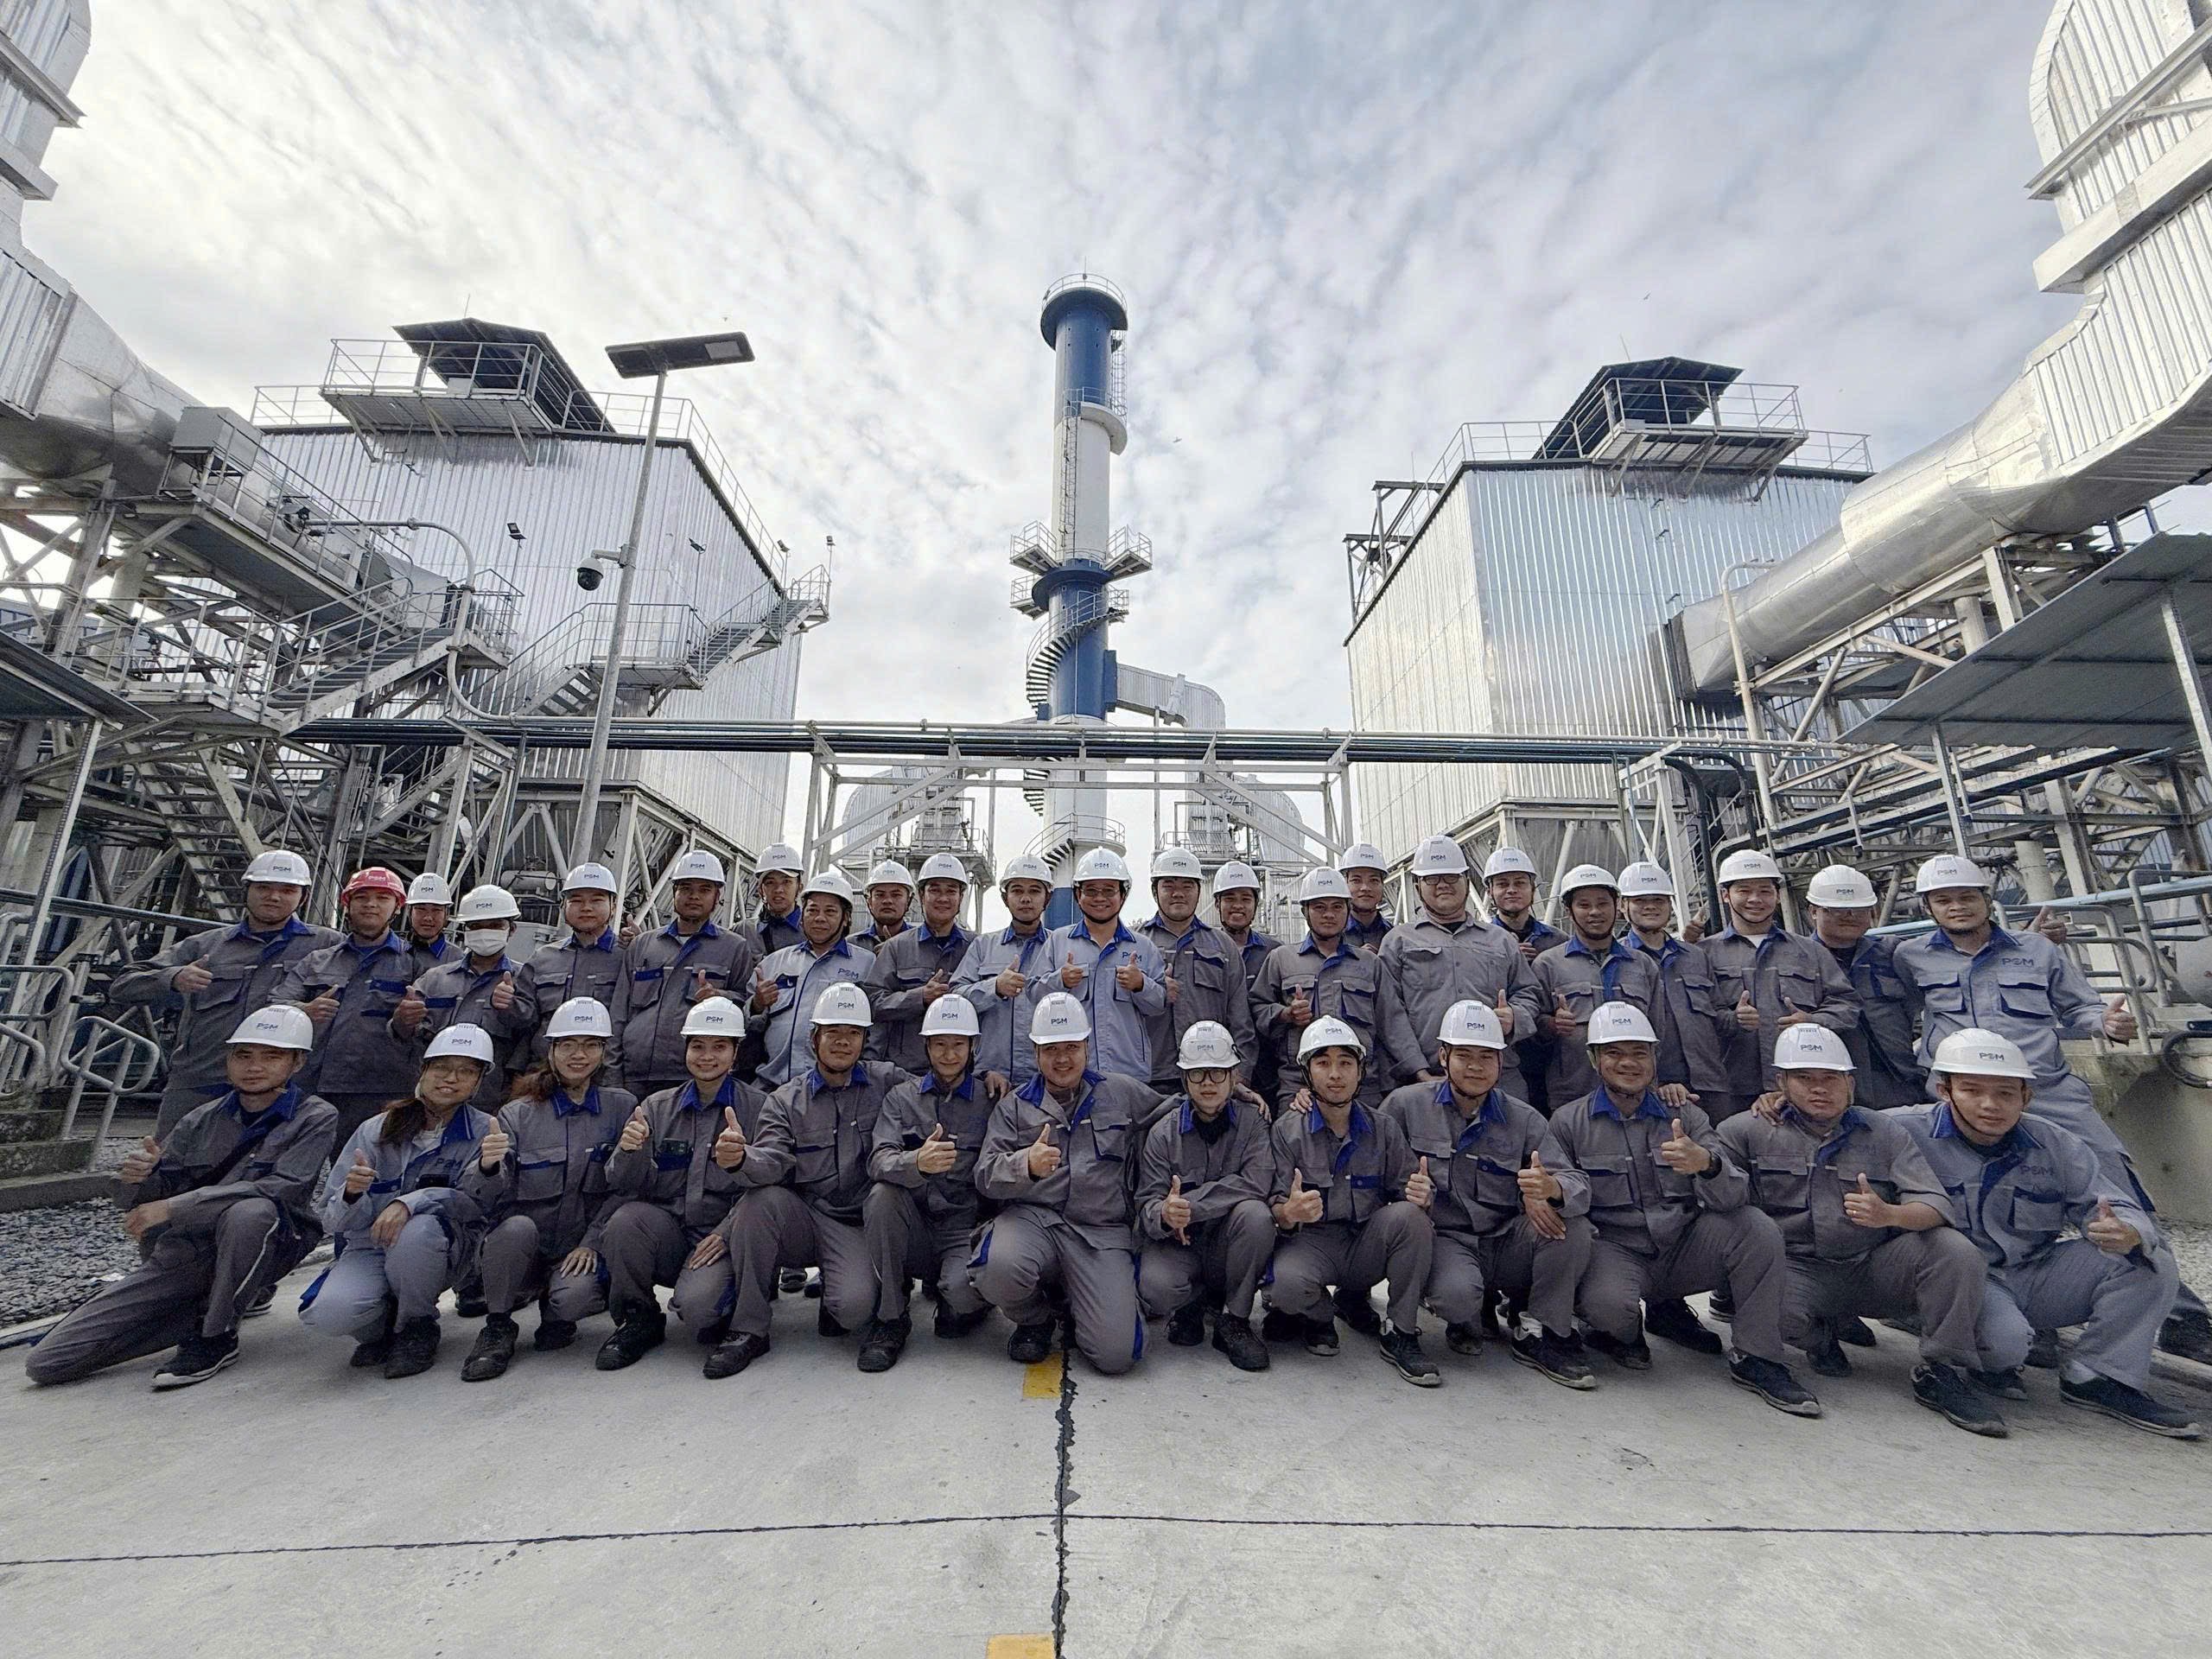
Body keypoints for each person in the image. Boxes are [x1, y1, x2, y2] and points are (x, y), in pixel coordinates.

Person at [1892, 854, 2212, 1365]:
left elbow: (2080, 1006)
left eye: (1967, 897)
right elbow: (1893, 1012)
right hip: (1960, 1097)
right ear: (1928, 907)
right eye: (1943, 900)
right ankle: (2014, 1309)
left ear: (1986, 899)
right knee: (1976, 1202)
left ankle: (2182, 1317)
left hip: (2047, 1091)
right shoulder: (1909, 956)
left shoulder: (2038, 950)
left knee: (2118, 1193)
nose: (1957, 907)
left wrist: (2106, 1024)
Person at [1887, 1029, 2199, 1439]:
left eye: (2005, 1093)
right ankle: (1972, 1352)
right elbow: (1832, 1123)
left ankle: (2098, 1375)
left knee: (2149, 1259)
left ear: (2027, 1097)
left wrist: (2126, 1231)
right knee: (2007, 1346)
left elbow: (2113, 1203)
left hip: (2032, 1272)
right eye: (1972, 1090)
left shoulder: (2055, 1143)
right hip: (1962, 1279)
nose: (1990, 1105)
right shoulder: (1902, 1130)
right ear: (1945, 1091)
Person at [26, 1007, 337, 1389]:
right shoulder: (199, 1119)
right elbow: (148, 1198)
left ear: (297, 1062)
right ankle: (199, 1314)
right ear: (228, 1060)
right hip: (188, 1249)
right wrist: (138, 1178)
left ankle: (216, 1336)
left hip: (271, 1241)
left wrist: (175, 1207)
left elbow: (284, 1186)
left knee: (251, 1212)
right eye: (243, 1055)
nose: (254, 1067)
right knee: (48, 1363)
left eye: (272, 1056)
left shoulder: (315, 1116)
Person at [1537, 1002, 1821, 1417]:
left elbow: (1734, 1195)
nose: (1628, 1063)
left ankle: (1758, 1356)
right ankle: (1619, 1331)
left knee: (1755, 1228)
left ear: (1655, 1058)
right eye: (1614, 1053)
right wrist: (1552, 1190)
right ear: (1594, 1060)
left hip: (1685, 1245)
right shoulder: (1568, 1121)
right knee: (1609, 1310)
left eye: (1640, 1053)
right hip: (1617, 1249)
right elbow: (1570, 1190)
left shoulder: (1685, 1114)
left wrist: (1706, 1165)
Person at [1720, 1026, 2000, 1435]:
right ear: (1781, 1083)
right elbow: (1719, 1200)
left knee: (1953, 1250)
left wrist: (1890, 1215)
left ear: (1850, 1083)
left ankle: (1943, 1370)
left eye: (1831, 1078)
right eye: (1805, 1078)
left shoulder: (1884, 1132)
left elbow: (1935, 1204)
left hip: (1871, 1265)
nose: (1820, 1088)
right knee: (1761, 1304)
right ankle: (1812, 1339)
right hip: (1793, 1269)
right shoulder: (1745, 1130)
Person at [1381, 999, 1595, 1389]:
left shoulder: (1524, 1118)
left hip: (1505, 1241)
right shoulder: (1405, 1105)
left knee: (1573, 1227)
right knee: (1458, 1298)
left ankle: (1540, 1331)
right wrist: (1406, 1194)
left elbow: (1576, 1183)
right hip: (1447, 1242)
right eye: (1464, 1055)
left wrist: (1549, 1189)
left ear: (1501, 1060)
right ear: (1443, 1057)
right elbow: (1373, 1170)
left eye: (1487, 1056)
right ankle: (1442, 1317)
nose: (1476, 1067)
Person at [704, 984, 913, 1377]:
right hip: (806, 1216)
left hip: (857, 1223)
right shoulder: (785, 1100)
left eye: (853, 1033)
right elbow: (771, 1160)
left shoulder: (889, 1081)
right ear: (814, 1038)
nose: (842, 1041)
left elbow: (936, 1089)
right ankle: (748, 1327)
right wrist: (742, 1158)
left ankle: (851, 1293)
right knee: (760, 1201)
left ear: (865, 1040)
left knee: (852, 1309)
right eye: (832, 1032)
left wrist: (987, 1081)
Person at [971, 992, 1160, 1375]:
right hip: (1034, 1223)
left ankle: (1081, 1303)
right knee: (995, 1266)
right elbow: (985, 1174)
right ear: (1036, 1052)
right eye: (1051, 1049)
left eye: (1071, 1047)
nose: (1062, 1059)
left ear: (1087, 1046)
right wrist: (1025, 1164)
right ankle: (1036, 1319)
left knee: (1117, 1356)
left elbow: (1174, 1111)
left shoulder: (1120, 1092)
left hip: (1099, 1232)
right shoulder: (1014, 1107)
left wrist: (1227, 1093)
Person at [298, 1025, 502, 1378]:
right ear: (423, 1070)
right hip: (369, 1245)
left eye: (466, 1071)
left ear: (478, 1082)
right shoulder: (375, 1130)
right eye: (442, 1067)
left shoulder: (486, 1131)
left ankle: (417, 1327)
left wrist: (412, 1202)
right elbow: (332, 1220)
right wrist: (352, 1194)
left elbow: (476, 1207)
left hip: (440, 1248)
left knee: (417, 1230)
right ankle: (383, 1327)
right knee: (329, 1314)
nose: (451, 1079)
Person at [454, 997, 637, 1381]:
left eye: (590, 1045)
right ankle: (498, 1324)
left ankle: (556, 1312)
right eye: (567, 1045)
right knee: (514, 1229)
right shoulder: (518, 1114)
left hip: (578, 1246)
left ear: (603, 1052)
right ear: (551, 1050)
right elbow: (489, 1195)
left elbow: (624, 1189)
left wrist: (592, 1242)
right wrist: (487, 1166)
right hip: (526, 1247)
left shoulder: (622, 1108)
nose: (578, 1055)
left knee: (574, 1299)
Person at [590, 996, 769, 1370]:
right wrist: (631, 1151)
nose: (707, 1057)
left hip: (723, 1240)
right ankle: (639, 1319)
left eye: (719, 1047)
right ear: (685, 1049)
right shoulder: (655, 1107)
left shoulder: (760, 1107)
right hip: (672, 1232)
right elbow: (623, 1182)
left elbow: (771, 1185)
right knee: (625, 1220)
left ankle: (733, 1305)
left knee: (699, 1311)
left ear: (736, 1053)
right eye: (698, 1046)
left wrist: (726, 1231)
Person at [1262, 1017, 1440, 1386]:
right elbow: (1274, 1206)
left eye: (1346, 1062)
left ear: (1360, 1071)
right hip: (1312, 1245)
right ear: (1307, 1073)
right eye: (1322, 1063)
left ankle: (1401, 1331)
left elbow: (1407, 1188)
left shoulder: (1383, 1128)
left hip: (1364, 1245)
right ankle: (1318, 1314)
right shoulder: (1287, 1131)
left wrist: (1423, 1195)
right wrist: (1288, 1212)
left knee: (1412, 1217)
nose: (1335, 1074)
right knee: (1284, 1288)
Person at [108, 849, 336, 1135]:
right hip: (201, 1081)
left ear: (303, 898)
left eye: (287, 890)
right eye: (263, 888)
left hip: (282, 1088)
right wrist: (173, 977)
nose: (274, 897)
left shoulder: (326, 945)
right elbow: (123, 985)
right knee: (172, 1157)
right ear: (246, 891)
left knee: (265, 1161)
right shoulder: (206, 946)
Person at [1133, 1021, 1275, 1372]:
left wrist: (1192, 1206)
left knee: (1257, 1216)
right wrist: (1165, 1213)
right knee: (1154, 1286)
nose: (1208, 1083)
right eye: (1197, 1074)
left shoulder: (1253, 1122)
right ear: (1184, 1080)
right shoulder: (1163, 1134)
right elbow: (1146, 1203)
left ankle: (1235, 1320)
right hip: (1181, 1246)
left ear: (1234, 1076)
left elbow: (1257, 1182)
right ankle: (1191, 1304)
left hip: (1229, 1243)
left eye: (1217, 1072)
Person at [865, 995, 1000, 1363]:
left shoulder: (992, 1099)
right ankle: (891, 1317)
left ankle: (958, 1298)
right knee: (881, 1195)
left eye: (958, 1044)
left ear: (973, 1046)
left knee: (961, 1299)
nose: (949, 1054)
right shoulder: (901, 1098)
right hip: (917, 1229)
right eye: (939, 1044)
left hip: (964, 1229)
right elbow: (879, 1159)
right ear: (926, 1046)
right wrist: (916, 1163)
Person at [1376, 836, 1543, 1102]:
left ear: (1467, 881)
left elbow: (1529, 993)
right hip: (1427, 1081)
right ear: (1418, 887)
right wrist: (1418, 1072)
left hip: (1499, 1080)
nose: (1443, 884)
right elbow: (1389, 1014)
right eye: (1432, 879)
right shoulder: (1398, 942)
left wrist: (1515, 1018)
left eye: (1452, 877)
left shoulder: (1500, 941)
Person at [1698, 849, 1857, 1122]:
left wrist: (1813, 1021)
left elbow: (1847, 1005)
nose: (1755, 899)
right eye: (1744, 891)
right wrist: (1732, 1019)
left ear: (1777, 895)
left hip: (1805, 1091)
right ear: (1725, 895)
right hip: (1733, 1092)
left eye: (1765, 891)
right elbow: (1693, 1022)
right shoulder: (1702, 955)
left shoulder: (1811, 952)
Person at [271, 866, 418, 1141]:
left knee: (364, 1163)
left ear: (398, 908)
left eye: (383, 898)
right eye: (361, 897)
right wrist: (305, 1010)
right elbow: (275, 1004)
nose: (371, 904)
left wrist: (405, 1021)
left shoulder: (414, 965)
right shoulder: (318, 960)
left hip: (377, 1092)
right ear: (347, 904)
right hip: (309, 1085)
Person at [611, 850, 759, 1098]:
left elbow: (747, 1008)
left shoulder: (734, 948)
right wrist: (613, 1077)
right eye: (686, 888)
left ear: (718, 896)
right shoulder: (643, 945)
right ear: (674, 892)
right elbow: (618, 1014)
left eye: (704, 889)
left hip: (695, 1079)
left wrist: (720, 997)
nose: (694, 896)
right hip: (635, 1076)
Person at [1249, 868, 1395, 1108]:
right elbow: (1256, 1009)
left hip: (1363, 1088)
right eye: (1319, 907)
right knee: (1293, 1130)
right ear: (1304, 911)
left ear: (1348, 909)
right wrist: (1285, 1014)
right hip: (1299, 1088)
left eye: (1337, 907)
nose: (1329, 914)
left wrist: (1418, 1072)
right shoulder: (1282, 959)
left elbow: (1393, 1024)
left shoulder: (1369, 964)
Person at [1529, 865, 1661, 1110]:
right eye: (1584, 905)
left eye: (1602, 903)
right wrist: (1551, 1025)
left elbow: (1660, 1031)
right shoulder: (1548, 965)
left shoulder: (1642, 965)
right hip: (1574, 1096)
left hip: (1638, 1096)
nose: (1595, 912)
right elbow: (1532, 1034)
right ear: (1568, 911)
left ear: (1617, 906)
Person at [391, 883, 534, 1109]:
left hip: (490, 1102)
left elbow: (531, 1041)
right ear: (465, 930)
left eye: (495, 925)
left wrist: (512, 1009)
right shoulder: (435, 979)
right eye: (476, 926)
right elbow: (402, 1035)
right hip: (431, 1098)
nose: (485, 932)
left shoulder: (525, 980)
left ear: (512, 929)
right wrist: (402, 1020)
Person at [1803, 863, 1925, 1109]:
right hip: (1828, 1089)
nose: (1850, 916)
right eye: (1837, 910)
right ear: (1813, 911)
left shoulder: (1893, 953)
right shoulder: (1796, 961)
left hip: (1899, 1082)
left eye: (1859, 909)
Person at [1136, 847, 1256, 1096]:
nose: (1178, 893)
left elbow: (1240, 1019)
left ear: (1199, 891)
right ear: (1154, 891)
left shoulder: (1223, 947)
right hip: (1151, 1078)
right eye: (1169, 885)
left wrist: (1241, 1075)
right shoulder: (1136, 945)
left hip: (1211, 1076)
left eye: (1187, 885)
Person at [1618, 861, 1733, 1117]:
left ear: (1670, 904)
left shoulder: (1696, 956)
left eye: (1659, 900)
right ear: (1622, 906)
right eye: (1640, 900)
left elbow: (1718, 1014)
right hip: (1650, 1090)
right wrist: (1653, 1082)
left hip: (1709, 1085)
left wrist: (1739, 1018)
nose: (1650, 906)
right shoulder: (1616, 960)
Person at [1049, 848, 1166, 1084]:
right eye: (1091, 890)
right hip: (1071, 1074)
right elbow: (1033, 997)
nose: (1100, 898)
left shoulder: (1143, 947)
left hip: (1129, 1075)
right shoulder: (1057, 942)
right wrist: (1059, 981)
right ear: (1078, 894)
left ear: (1123, 895)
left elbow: (1159, 1007)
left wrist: (1141, 985)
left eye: (1109, 890)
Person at [750, 868, 875, 1086]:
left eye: (830, 911)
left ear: (846, 918)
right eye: (812, 910)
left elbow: (876, 1031)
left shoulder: (867, 965)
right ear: (802, 916)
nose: (819, 918)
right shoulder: (774, 964)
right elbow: (746, 1027)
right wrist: (756, 1005)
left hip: (836, 1089)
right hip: (773, 1086)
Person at [953, 853, 1062, 1094]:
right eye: (1017, 891)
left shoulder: (1061, 947)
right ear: (1005, 898)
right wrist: (994, 987)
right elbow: (954, 999)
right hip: (990, 1080)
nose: (1026, 898)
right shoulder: (983, 946)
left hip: (1048, 1082)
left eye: (1034, 891)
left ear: (1048, 898)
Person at [866, 853, 973, 1071]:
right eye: (935, 890)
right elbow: (874, 1003)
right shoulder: (896, 947)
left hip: (964, 1073)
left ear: (961, 897)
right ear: (922, 895)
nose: (943, 898)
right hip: (907, 1073)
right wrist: (920, 997)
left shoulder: (976, 948)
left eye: (951, 891)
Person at [516, 862, 626, 1069]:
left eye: (597, 900)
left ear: (613, 906)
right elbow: (525, 1023)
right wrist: (507, 1004)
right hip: (545, 1071)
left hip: (606, 1074)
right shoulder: (542, 959)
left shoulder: (629, 957)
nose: (586, 908)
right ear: (563, 906)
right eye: (576, 900)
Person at [1208, 859, 1281, 1103]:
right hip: (1215, 1064)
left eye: (1246, 899)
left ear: (1256, 904)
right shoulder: (1204, 952)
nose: (1238, 906)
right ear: (1217, 904)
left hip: (1269, 1067)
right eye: (1229, 898)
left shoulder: (1274, 952)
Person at [1483, 847, 1562, 963]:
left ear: (1533, 889)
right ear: (1490, 892)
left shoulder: (1557, 940)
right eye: (1502, 884)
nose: (1512, 890)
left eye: (1520, 883)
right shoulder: (1478, 944)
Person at [747, 841, 807, 957]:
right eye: (770, 882)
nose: (778, 889)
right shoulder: (744, 932)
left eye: (786, 882)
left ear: (799, 887)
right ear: (760, 890)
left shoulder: (813, 933)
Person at [1338, 841, 1394, 955]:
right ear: (1345, 884)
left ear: (1382, 884)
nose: (1365, 888)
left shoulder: (1394, 936)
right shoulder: (1331, 937)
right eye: (1356, 880)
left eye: (1373, 880)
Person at [853, 858, 915, 950]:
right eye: (880, 895)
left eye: (896, 895)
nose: (887, 901)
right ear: (869, 901)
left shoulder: (923, 945)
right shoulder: (851, 946)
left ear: (908, 901)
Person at [401, 871, 454, 975]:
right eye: (421, 909)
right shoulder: (390, 953)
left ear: (447, 914)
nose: (428, 917)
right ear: (409, 912)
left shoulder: (458, 960)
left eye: (436, 910)